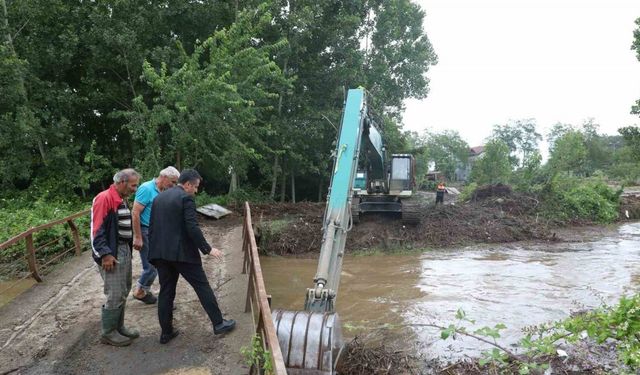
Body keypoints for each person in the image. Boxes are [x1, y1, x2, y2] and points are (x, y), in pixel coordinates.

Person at [148, 169, 236, 344]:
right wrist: (207, 248)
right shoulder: (185, 198)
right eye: (195, 187)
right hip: (182, 254)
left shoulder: (159, 198)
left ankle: (166, 333)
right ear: (187, 184)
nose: (196, 191)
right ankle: (219, 324)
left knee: (166, 292)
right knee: (202, 286)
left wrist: (155, 251)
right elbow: (192, 227)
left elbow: (152, 227)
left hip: (160, 254)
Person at [91, 168, 141, 347]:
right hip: (112, 252)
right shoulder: (105, 198)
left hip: (122, 249)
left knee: (124, 289)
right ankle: (108, 332)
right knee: (115, 292)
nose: (135, 189)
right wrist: (105, 254)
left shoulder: (121, 199)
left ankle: (119, 327)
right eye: (133, 185)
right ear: (121, 182)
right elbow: (96, 229)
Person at [131, 166, 180, 304]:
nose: (174, 185)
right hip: (146, 231)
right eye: (173, 181)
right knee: (151, 265)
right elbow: (135, 213)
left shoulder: (163, 191)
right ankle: (140, 291)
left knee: (159, 263)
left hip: (157, 232)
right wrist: (138, 236)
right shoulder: (146, 189)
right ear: (163, 177)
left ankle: (142, 290)